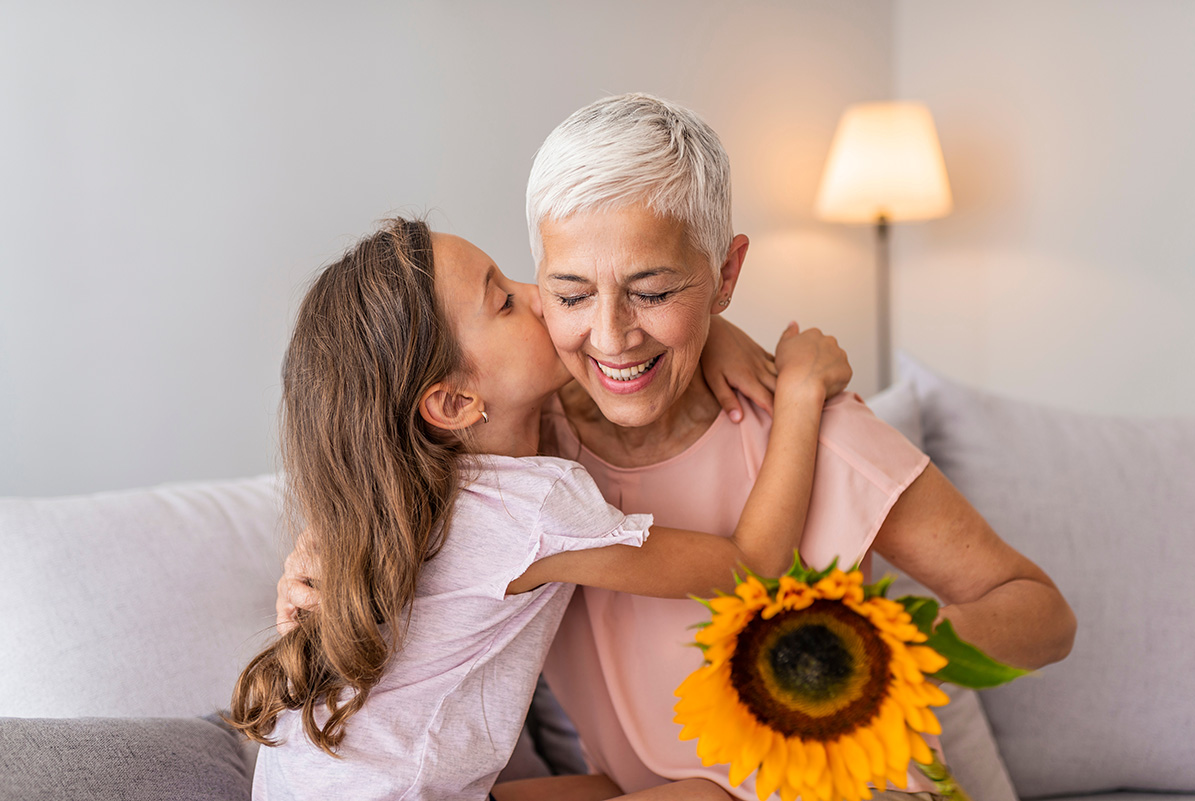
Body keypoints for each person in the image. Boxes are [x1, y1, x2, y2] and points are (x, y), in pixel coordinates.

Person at [278, 94, 1076, 800]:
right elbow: (385, 454)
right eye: (569, 293)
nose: (611, 335)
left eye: (655, 291)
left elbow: (1041, 613)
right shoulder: (525, 444)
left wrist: (872, 656)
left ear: (725, 275)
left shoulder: (818, 431)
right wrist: (319, 556)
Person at [232, 216, 854, 801]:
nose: (539, 294)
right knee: (707, 796)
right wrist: (799, 394)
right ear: (451, 404)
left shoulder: (401, 489)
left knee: (611, 787)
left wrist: (713, 334)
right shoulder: (527, 507)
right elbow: (751, 565)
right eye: (502, 300)